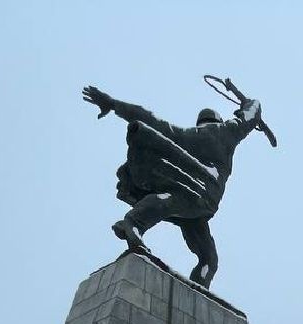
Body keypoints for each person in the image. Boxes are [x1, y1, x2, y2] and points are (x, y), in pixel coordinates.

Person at [81, 84, 264, 288]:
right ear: (218, 121)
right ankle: (133, 223)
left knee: (204, 250)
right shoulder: (227, 131)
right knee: (208, 259)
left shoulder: (185, 135)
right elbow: (253, 112)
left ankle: (198, 291)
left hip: (195, 205)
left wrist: (113, 105)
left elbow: (149, 119)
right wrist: (247, 104)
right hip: (203, 195)